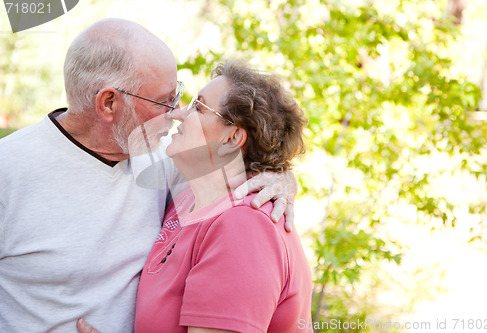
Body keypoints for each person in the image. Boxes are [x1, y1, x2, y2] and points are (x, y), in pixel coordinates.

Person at [0, 19, 297, 333]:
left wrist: (281, 178)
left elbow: (244, 158)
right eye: (165, 101)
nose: (177, 111)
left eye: (180, 95)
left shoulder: (164, 157)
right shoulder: (10, 169)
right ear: (109, 103)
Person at [78, 60, 312, 332]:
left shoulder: (244, 227)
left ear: (231, 138)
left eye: (198, 107)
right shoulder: (189, 195)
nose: (176, 115)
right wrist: (283, 174)